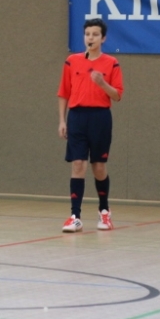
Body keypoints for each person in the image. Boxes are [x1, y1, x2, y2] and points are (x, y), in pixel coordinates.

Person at [57, 17, 123, 233]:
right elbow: (63, 92)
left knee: (98, 166)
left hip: (100, 118)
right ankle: (75, 216)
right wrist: (62, 120)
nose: (90, 38)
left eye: (95, 34)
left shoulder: (111, 63)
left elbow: (117, 95)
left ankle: (104, 211)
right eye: (87, 34)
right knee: (78, 164)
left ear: (103, 38)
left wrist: (102, 83)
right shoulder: (71, 61)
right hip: (77, 117)